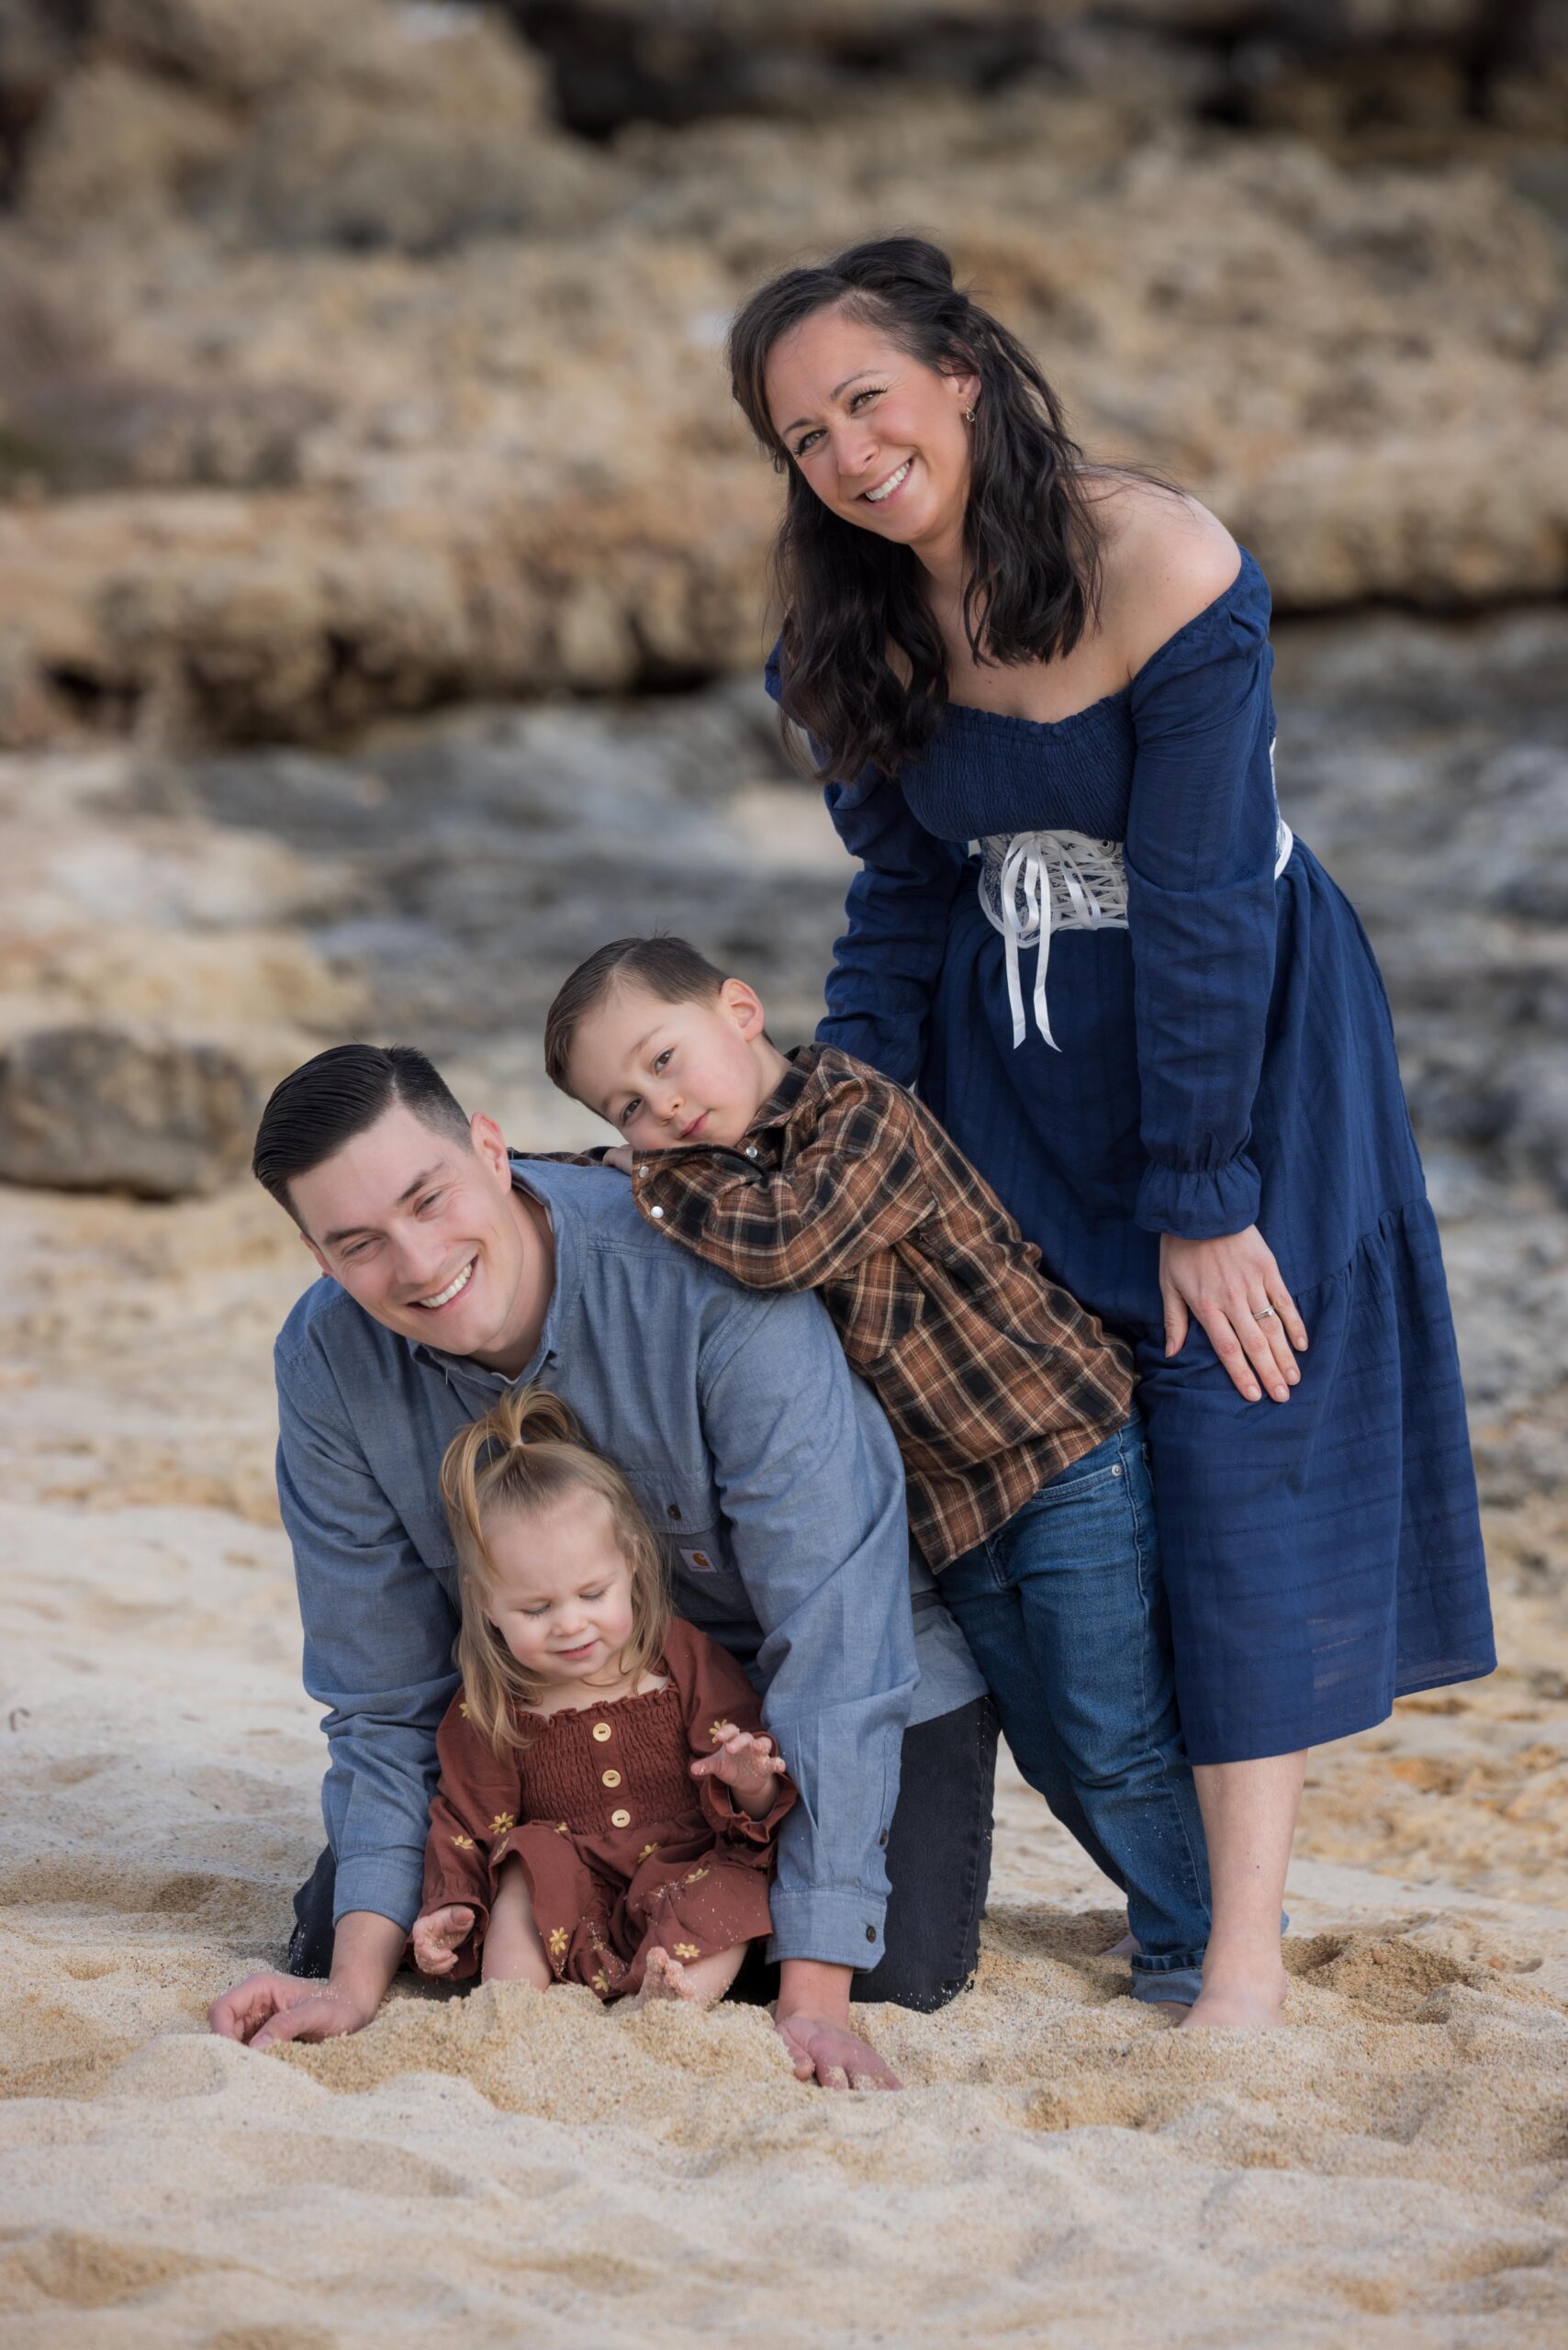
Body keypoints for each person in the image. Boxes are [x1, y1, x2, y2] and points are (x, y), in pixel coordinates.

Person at [724, 234, 1495, 2028]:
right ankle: (1054, 1863)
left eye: (866, 398)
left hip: (1239, 1048)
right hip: (1010, 1055)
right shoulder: (843, 625)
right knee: (1056, 1446)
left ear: (961, 375)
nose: (845, 451)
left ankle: (1234, 1954)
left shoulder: (1156, 559)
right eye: (800, 434)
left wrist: (1204, 1198)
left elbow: (1211, 903)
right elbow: (900, 904)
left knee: (1233, 1432)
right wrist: (851, 1128)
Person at [207, 1042, 993, 2089]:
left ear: (490, 1148)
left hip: (828, 1678)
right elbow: (382, 1697)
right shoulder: (326, 1362)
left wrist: (812, 2005)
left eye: (429, 1198)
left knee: (888, 1968)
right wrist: (351, 1986)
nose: (417, 1261)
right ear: (319, 1257)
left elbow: (838, 1638)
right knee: (350, 1934)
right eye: (358, 1243)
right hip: (556, 1722)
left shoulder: (701, 1272)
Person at [545, 932, 1213, 2007]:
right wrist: (584, 1180)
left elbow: (789, 1242)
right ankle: (1176, 1909)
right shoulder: (712, 1173)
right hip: (950, 1512)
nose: (656, 1111)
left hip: (1060, 1455)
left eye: (663, 1060)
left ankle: (1201, 1944)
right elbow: (622, 1198)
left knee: (1111, 1730)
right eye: (622, 1107)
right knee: (1049, 1743)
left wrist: (646, 1187)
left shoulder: (859, 1114)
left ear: (740, 1009)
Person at [412, 1382, 795, 2012]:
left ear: (634, 1567)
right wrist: (450, 1903)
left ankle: (673, 1999)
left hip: (682, 1868)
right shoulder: (492, 1705)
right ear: (487, 1606)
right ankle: (511, 2002)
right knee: (522, 1862)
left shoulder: (678, 1658)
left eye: (592, 1594)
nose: (570, 1623)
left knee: (734, 1886)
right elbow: (466, 1822)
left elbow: (748, 1788)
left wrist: (748, 1778)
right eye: (536, 1608)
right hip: (572, 1893)